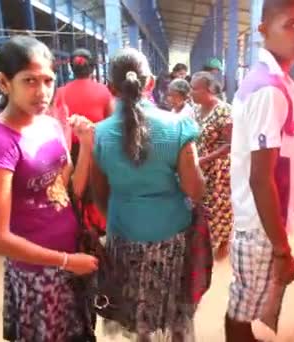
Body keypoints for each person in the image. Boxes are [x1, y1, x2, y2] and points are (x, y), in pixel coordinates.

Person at [0, 36, 99, 342]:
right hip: (38, 275)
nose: (42, 92)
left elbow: (69, 191)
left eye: (48, 80)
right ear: (4, 82)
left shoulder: (51, 125)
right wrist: (67, 262)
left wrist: (87, 146)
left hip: (73, 258)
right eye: (29, 80)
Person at [90, 47, 205, 340]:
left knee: (134, 312)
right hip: (170, 237)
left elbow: (99, 194)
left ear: (110, 88)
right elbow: (195, 189)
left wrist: (124, 218)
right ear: (151, 82)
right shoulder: (178, 126)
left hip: (123, 236)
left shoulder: (100, 134)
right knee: (170, 309)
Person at [227, 0, 294, 341]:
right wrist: (282, 250)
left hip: (264, 220)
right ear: (263, 29)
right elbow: (260, 179)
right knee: (242, 314)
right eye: (292, 25)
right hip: (261, 226)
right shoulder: (268, 88)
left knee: (251, 305)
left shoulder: (276, 80)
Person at [191, 71, 234, 258]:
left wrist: (204, 159)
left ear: (208, 90)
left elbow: (230, 144)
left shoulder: (224, 111)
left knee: (220, 207)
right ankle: (204, 242)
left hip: (218, 169)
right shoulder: (195, 110)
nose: (191, 92)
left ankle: (223, 241)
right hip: (199, 166)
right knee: (201, 206)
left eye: (195, 88)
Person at [54, 48, 114, 158]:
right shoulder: (104, 91)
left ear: (72, 68)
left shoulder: (59, 93)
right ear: (92, 68)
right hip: (97, 150)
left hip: (69, 153)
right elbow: (112, 123)